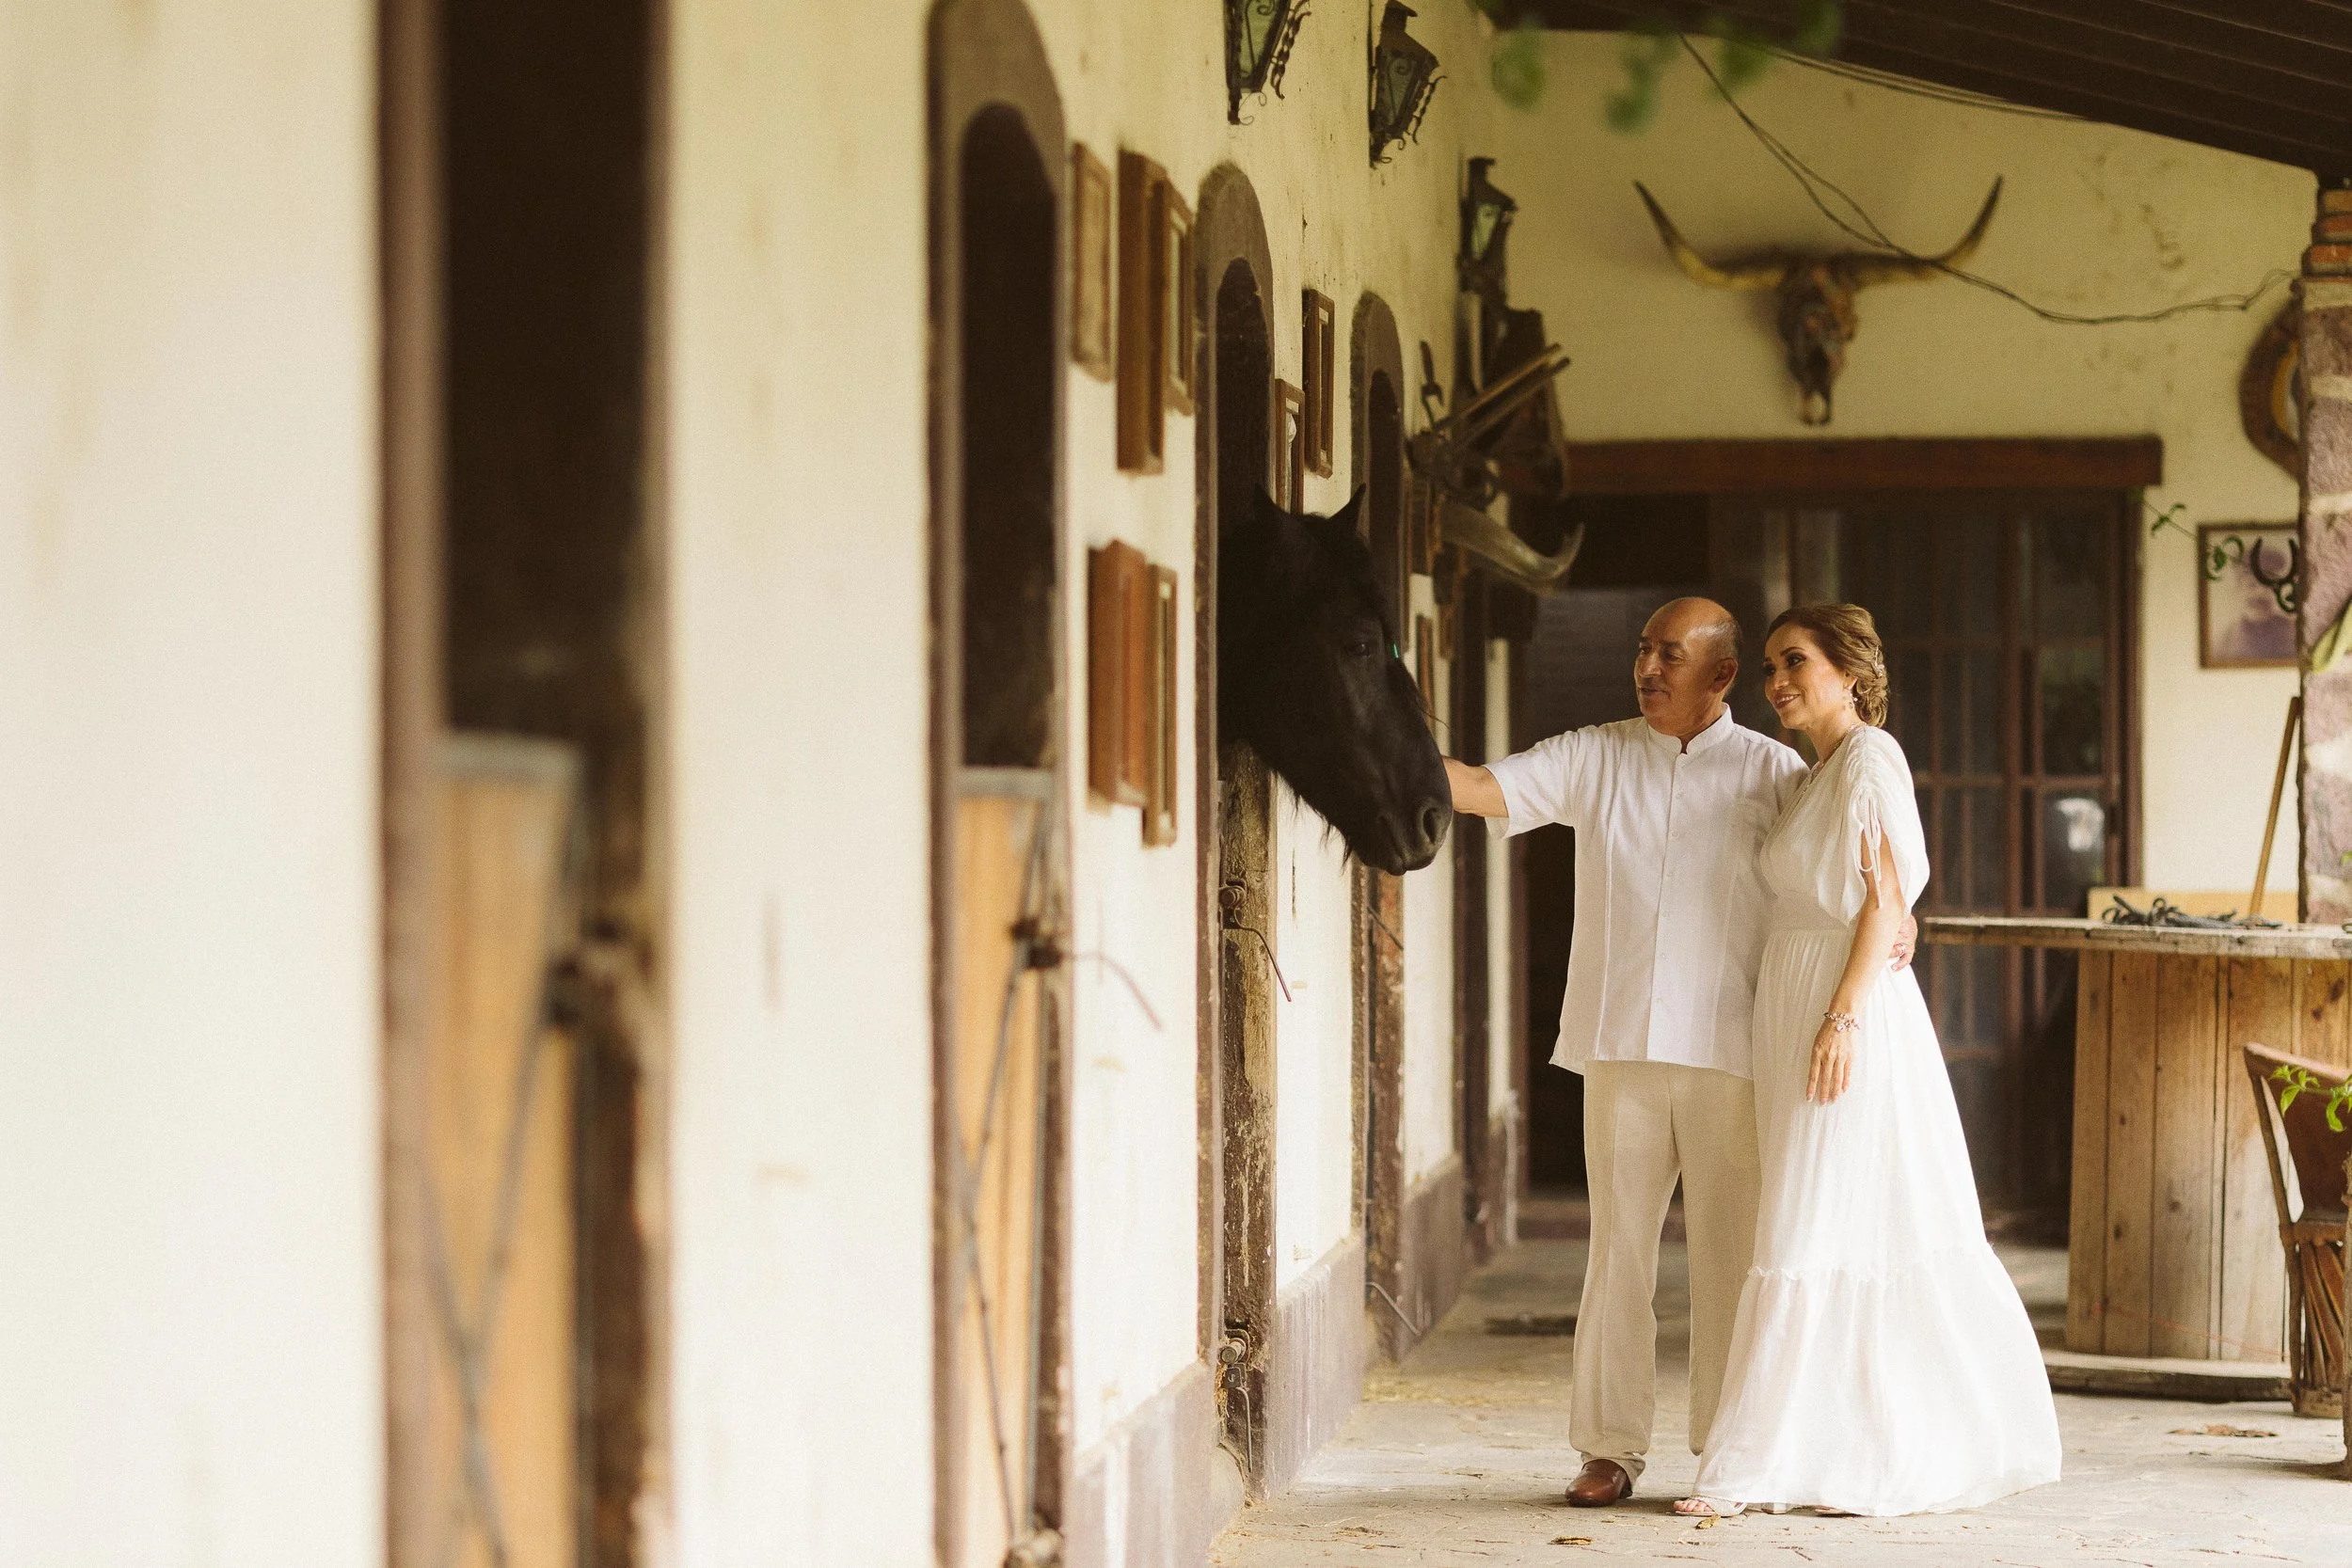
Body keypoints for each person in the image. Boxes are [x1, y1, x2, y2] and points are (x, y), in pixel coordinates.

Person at [1445, 597, 1912, 1509]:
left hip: (1733, 1045)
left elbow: (1860, 865)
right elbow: (1476, 786)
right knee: (1615, 1253)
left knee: (1731, 1257)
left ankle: (1723, 1444)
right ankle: (1609, 1447)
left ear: (1721, 674)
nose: (1646, 668)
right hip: (1617, 1042)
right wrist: (1370, 732)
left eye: (1669, 654)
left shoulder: (1779, 771)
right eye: (1642, 651)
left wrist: (1899, 916)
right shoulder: (1595, 753)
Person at [1673, 604, 2061, 1520]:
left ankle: (1752, 1462)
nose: (1776, 680)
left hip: (1840, 1009)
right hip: (1796, 996)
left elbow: (1886, 900)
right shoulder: (1814, 774)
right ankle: (1819, 1439)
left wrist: (1842, 1017)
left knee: (1806, 1219)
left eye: (1794, 660)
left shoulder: (1871, 758)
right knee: (1816, 1213)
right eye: (1768, 664)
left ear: (1850, 671)